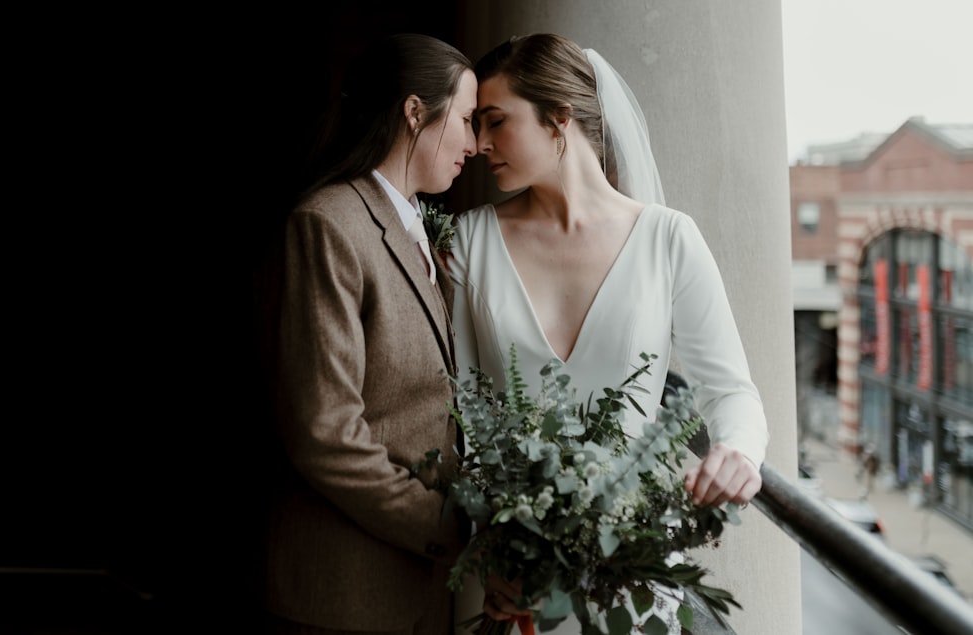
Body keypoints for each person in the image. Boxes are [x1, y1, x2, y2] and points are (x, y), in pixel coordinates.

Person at [448, 33, 770, 634]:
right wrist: (493, 550)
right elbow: (465, 421)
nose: (479, 143)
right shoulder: (469, 243)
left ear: (559, 120)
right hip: (510, 580)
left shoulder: (670, 239)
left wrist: (739, 452)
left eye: (495, 121)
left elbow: (731, 393)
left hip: (635, 577)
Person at [264, 33, 477, 635]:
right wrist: (452, 528)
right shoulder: (328, 222)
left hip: (417, 593)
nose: (475, 144)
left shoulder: (415, 233)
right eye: (464, 120)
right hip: (340, 594)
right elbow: (325, 435)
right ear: (415, 112)